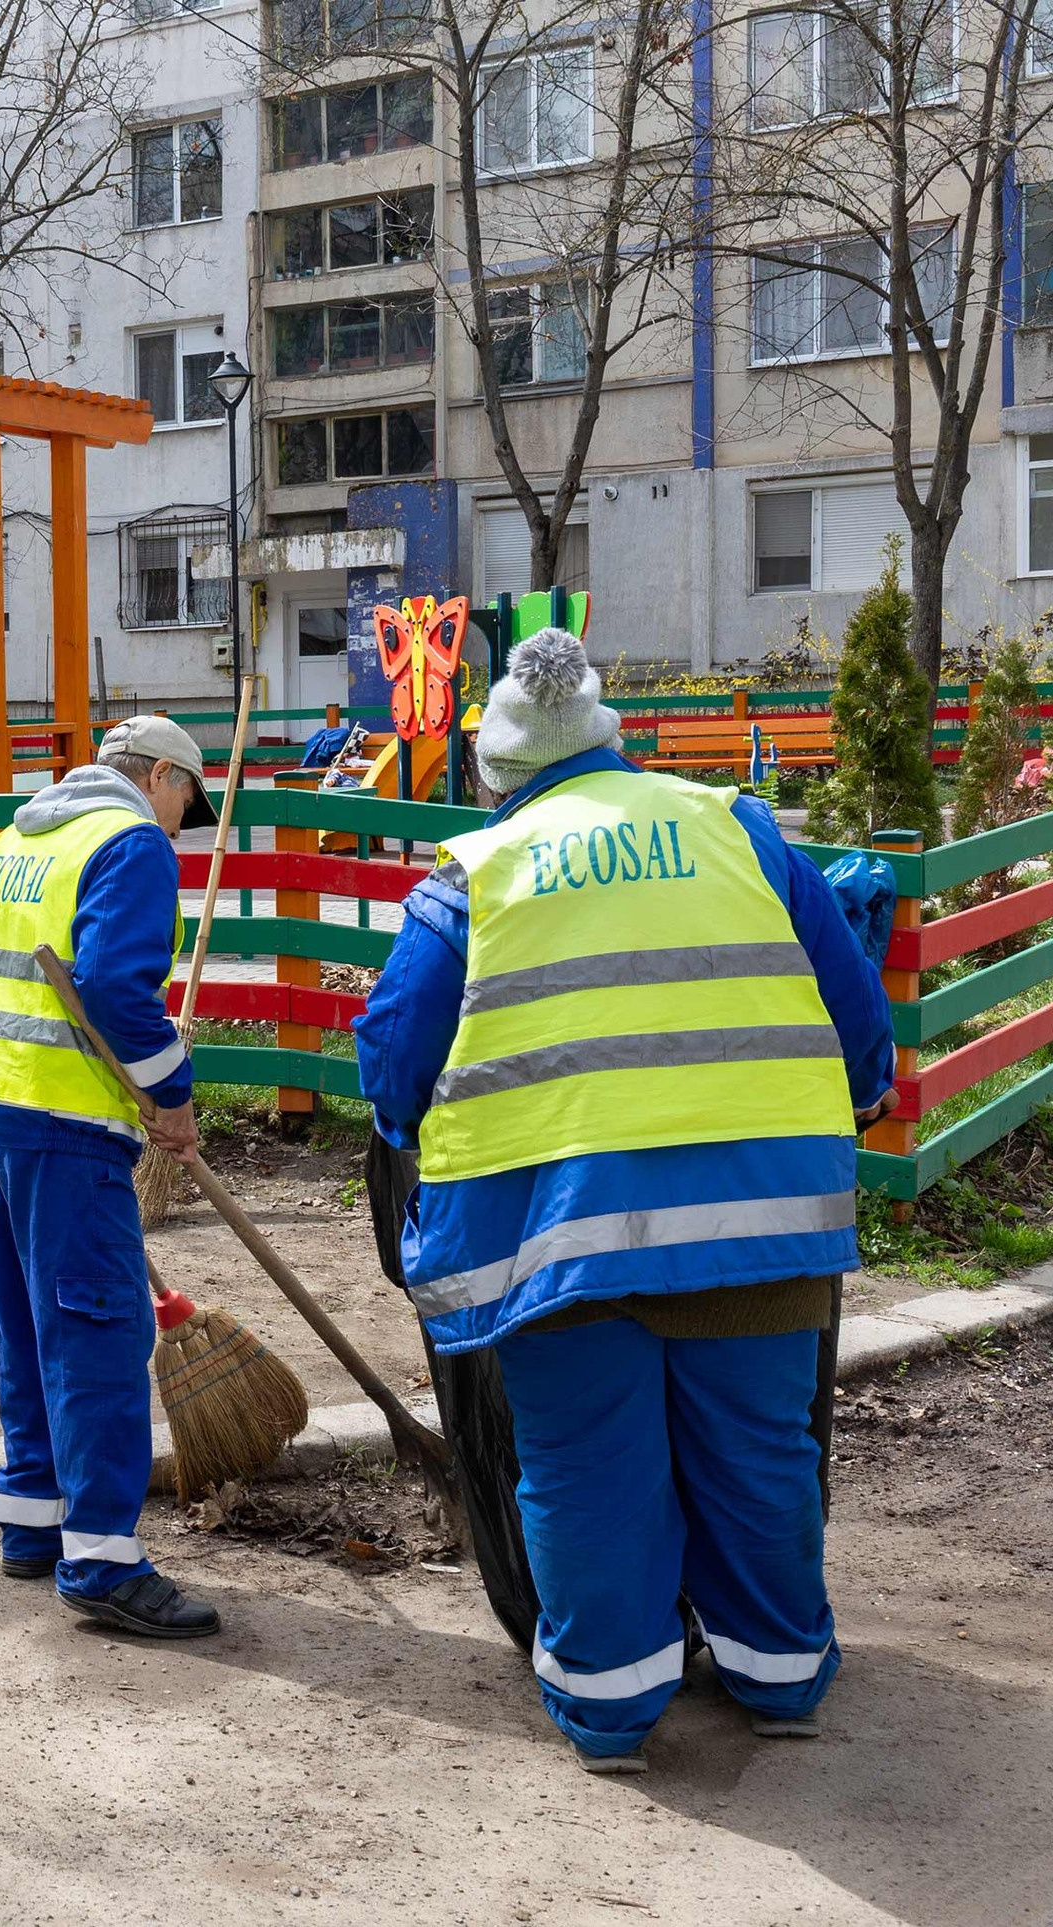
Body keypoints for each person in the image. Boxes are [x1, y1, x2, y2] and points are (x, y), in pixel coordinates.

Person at [352, 628, 896, 1773]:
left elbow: (395, 1058)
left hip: (557, 1234)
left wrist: (409, 1139)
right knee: (755, 1448)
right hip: (755, 1217)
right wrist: (854, 1097)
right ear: (612, 740)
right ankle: (780, 1674)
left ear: (498, 775)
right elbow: (848, 1007)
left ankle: (610, 1708)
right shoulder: (733, 828)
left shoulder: (474, 873)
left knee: (585, 1461)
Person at [0, 716, 224, 1639]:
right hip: (69, 1122)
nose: (178, 829)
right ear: (158, 776)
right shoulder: (127, 844)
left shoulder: (20, 837)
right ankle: (105, 1562)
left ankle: (35, 1524)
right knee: (98, 1334)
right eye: (182, 806)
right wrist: (172, 1096)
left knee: (30, 1325)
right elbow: (122, 993)